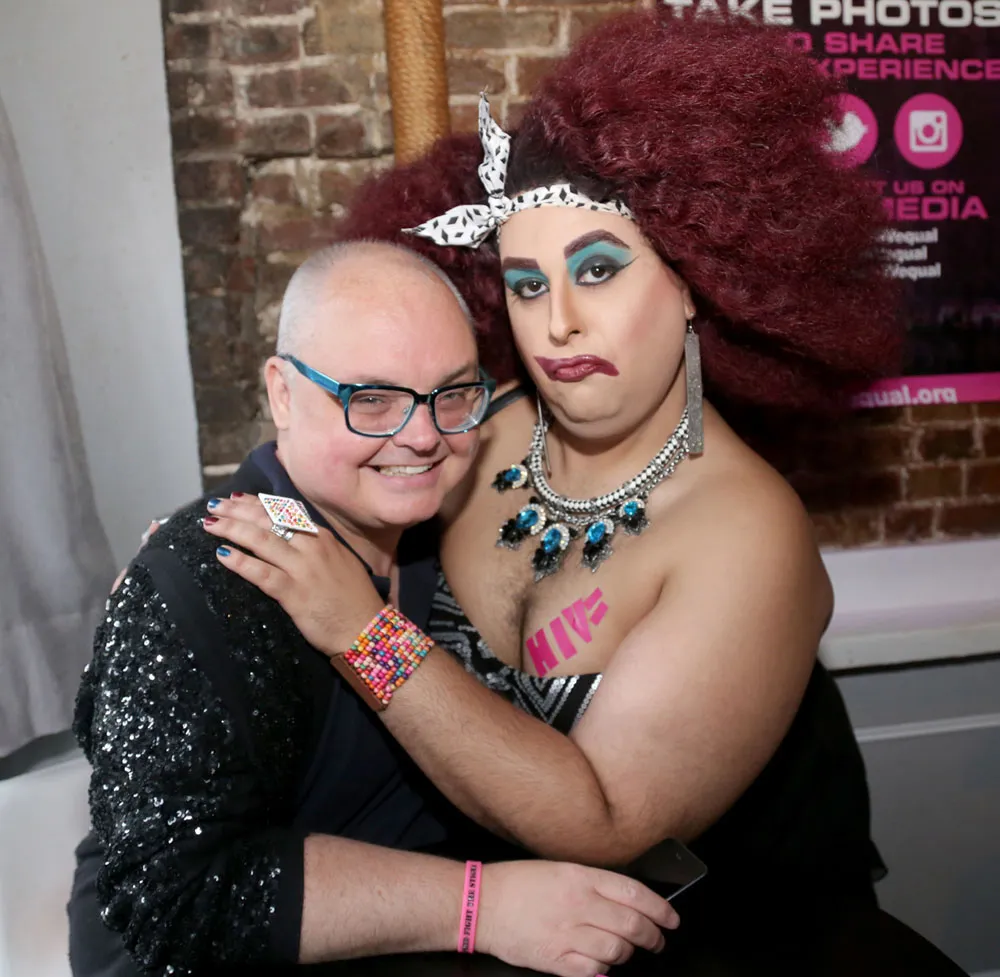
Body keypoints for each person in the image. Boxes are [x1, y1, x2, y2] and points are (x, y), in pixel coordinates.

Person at [198, 12, 957, 972]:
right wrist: (202, 555)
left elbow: (607, 820)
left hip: (731, 935)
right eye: (526, 283)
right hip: (513, 925)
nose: (557, 322)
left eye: (597, 270)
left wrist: (365, 634)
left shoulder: (747, 530)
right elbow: (330, 472)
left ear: (697, 279)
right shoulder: (475, 430)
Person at [67, 242, 680, 977]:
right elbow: (176, 899)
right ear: (283, 394)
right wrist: (482, 905)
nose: (422, 435)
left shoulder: (439, 530)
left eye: (452, 393)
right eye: (372, 400)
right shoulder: (208, 579)